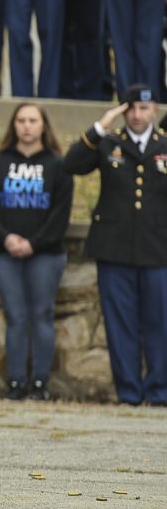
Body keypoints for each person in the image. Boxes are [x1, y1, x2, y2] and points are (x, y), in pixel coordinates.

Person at [63, 85, 167, 406]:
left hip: (158, 248)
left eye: (144, 109)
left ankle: (159, 390)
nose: (137, 115)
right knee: (120, 323)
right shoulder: (109, 143)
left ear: (155, 111)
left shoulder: (164, 145)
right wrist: (100, 126)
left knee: (159, 323)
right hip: (114, 248)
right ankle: (129, 392)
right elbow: (72, 164)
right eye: (131, 109)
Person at [0, 103, 72, 401]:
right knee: (16, 317)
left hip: (46, 254)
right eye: (21, 120)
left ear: (44, 126)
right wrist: (7, 238)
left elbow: (61, 214)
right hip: (5, 253)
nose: (27, 126)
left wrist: (34, 243)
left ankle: (39, 383)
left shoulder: (58, 165)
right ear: (14, 125)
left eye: (33, 120)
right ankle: (16, 382)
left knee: (41, 316)